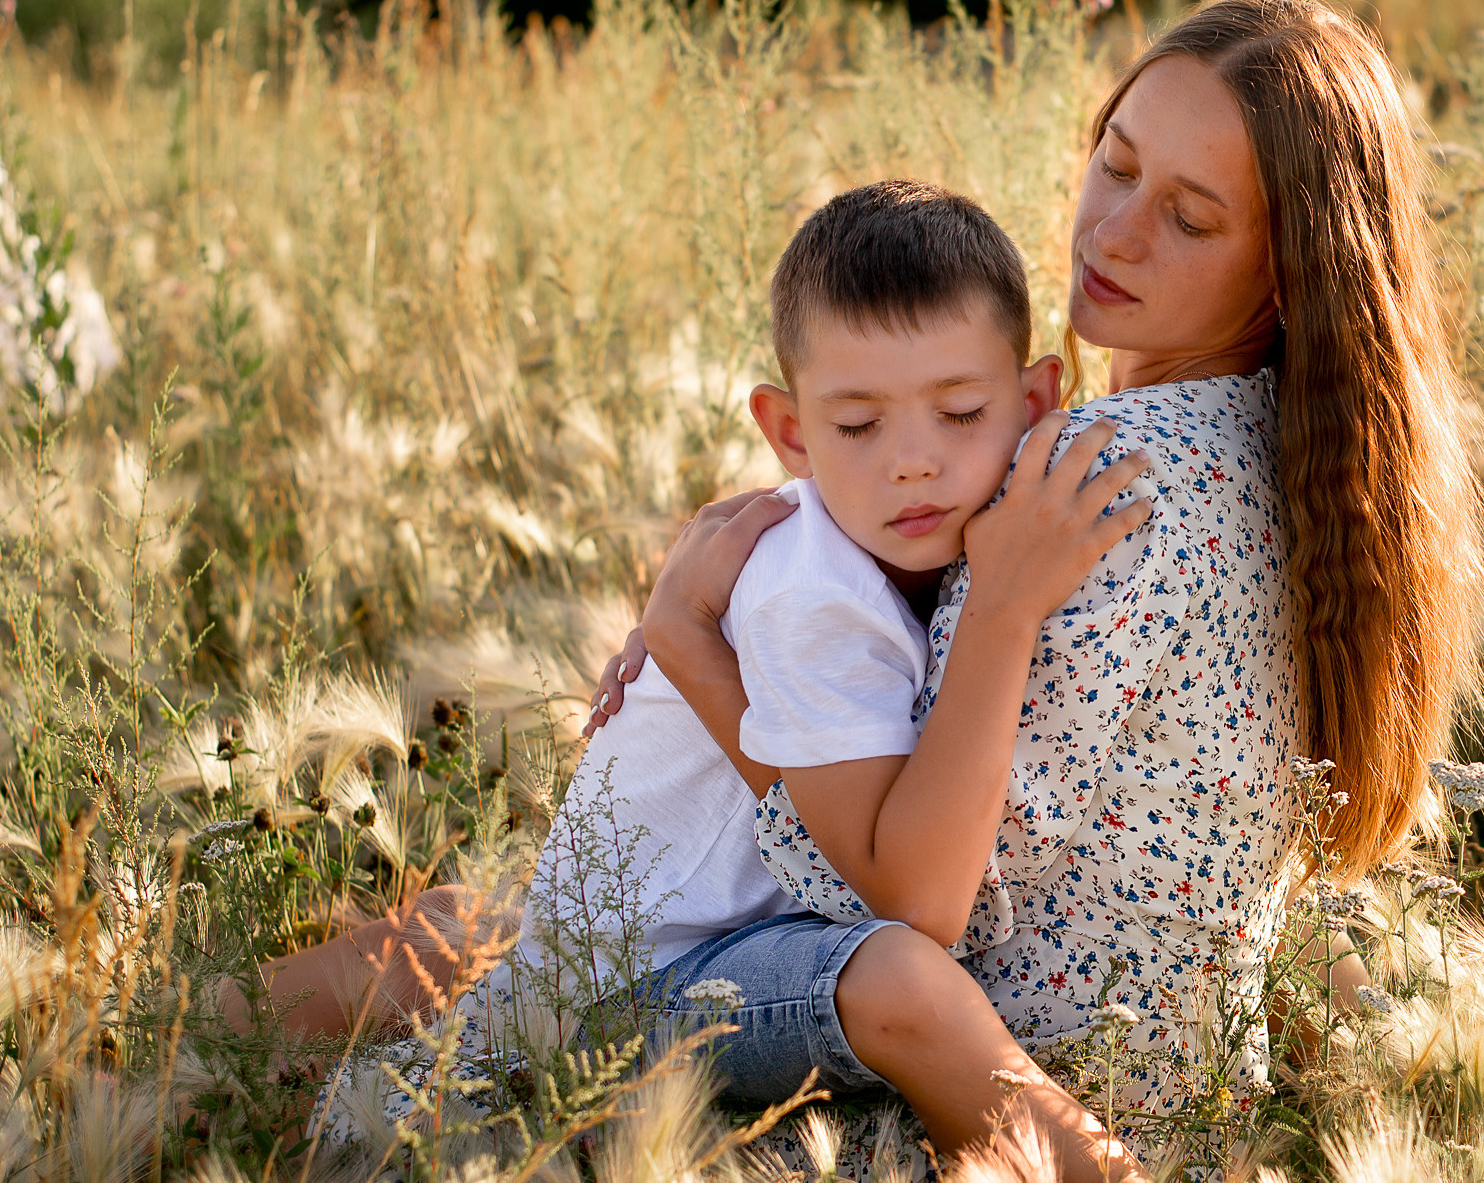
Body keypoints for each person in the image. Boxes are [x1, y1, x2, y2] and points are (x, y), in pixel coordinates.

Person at [590, 0, 1484, 1123]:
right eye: (1114, 166)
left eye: (1190, 220)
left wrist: (694, 648)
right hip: (1181, 1096)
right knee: (436, 940)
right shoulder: (1297, 459)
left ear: (1285, 271)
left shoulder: (1098, 477)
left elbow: (900, 903)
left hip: (1006, 1086)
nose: (1110, 234)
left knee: (515, 987)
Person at [240, 179, 1152, 1183]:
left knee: (469, 928)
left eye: (960, 412)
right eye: (856, 427)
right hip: (634, 986)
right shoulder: (814, 596)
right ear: (790, 432)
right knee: (899, 979)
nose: (912, 464)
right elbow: (917, 906)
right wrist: (1002, 612)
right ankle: (1100, 1173)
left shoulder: (891, 546)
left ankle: (219, 1031)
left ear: (1033, 404)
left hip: (648, 935)